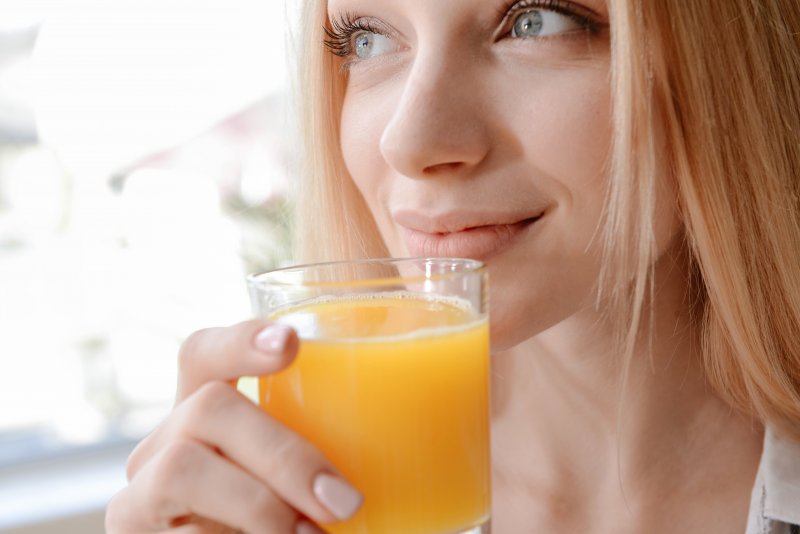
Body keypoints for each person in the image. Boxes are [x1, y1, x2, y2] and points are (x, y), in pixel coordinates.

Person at [105, 0, 800, 532]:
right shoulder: (306, 496)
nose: (410, 139)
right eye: (367, 39)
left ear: (728, 69)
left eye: (536, 20)